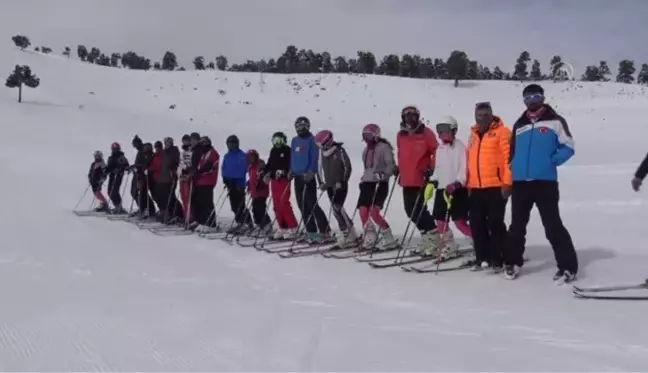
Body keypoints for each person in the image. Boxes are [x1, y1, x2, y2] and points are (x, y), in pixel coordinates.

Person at [504, 84, 578, 283]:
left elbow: (568, 146)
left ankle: (567, 266)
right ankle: (513, 262)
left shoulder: (555, 121)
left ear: (543, 98)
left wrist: (551, 161)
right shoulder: (519, 124)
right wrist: (513, 168)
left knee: (552, 225)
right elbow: (511, 152)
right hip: (521, 183)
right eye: (528, 97)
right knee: (517, 226)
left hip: (545, 182)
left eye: (536, 96)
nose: (532, 101)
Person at [466, 102, 511, 272]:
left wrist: (507, 183)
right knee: (476, 223)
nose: (482, 118)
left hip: (496, 186)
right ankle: (482, 257)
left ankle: (499, 257)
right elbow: (470, 160)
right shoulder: (473, 134)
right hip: (476, 187)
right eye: (479, 115)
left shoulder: (502, 132)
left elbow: (509, 159)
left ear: (491, 115)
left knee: (495, 222)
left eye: (485, 115)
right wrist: (469, 183)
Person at [396, 106, 441, 256]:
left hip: (420, 177)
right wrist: (399, 169)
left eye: (413, 116)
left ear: (417, 117)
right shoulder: (400, 135)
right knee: (410, 211)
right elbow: (401, 154)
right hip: (406, 178)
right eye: (407, 117)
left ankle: (434, 239)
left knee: (419, 210)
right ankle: (426, 237)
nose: (410, 120)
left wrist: (431, 168)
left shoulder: (426, 133)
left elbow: (437, 151)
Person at [430, 116, 472, 261]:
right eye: (440, 131)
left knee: (460, 222)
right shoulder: (439, 148)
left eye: (445, 131)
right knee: (440, 221)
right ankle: (449, 245)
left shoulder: (459, 147)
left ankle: (481, 242)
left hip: (457, 189)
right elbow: (438, 168)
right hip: (442, 189)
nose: (442, 134)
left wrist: (458, 182)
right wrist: (433, 181)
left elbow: (464, 167)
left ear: (453, 131)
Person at [357, 123, 399, 251]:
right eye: (365, 136)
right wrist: (364, 178)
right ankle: (370, 235)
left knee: (373, 212)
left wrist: (385, 174)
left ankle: (388, 237)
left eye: (369, 136)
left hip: (380, 183)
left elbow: (391, 165)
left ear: (376, 135)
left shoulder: (384, 148)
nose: (367, 139)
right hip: (367, 183)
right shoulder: (366, 150)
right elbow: (367, 167)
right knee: (363, 210)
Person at [314, 129, 358, 248]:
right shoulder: (322, 153)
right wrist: (322, 182)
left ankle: (349, 233)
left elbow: (347, 167)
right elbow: (319, 169)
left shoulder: (339, 151)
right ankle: (347, 233)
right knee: (335, 209)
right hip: (329, 185)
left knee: (337, 207)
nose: (319, 147)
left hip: (340, 184)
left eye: (320, 144)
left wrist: (343, 181)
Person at [290, 116, 331, 243]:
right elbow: (293, 156)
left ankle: (325, 230)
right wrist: (290, 169)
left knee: (312, 204)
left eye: (304, 126)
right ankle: (311, 231)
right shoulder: (294, 140)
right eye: (299, 126)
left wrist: (312, 171)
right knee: (302, 205)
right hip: (297, 176)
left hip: (308, 177)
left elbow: (315, 157)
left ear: (308, 126)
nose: (301, 128)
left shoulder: (312, 140)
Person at [263, 131, 299, 240]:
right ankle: (282, 227)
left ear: (284, 140)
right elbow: (270, 164)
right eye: (275, 140)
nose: (277, 143)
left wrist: (284, 172)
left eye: (280, 140)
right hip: (274, 180)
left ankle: (293, 227)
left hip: (283, 180)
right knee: (276, 204)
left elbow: (291, 164)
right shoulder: (273, 150)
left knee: (284, 203)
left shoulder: (287, 150)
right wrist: (265, 172)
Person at [222, 135, 253, 234]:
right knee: (233, 205)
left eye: (233, 143)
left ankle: (247, 222)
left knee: (240, 205)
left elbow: (242, 169)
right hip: (230, 184)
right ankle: (240, 222)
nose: (231, 145)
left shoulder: (241, 155)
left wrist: (237, 181)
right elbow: (224, 168)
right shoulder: (227, 156)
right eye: (229, 143)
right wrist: (225, 179)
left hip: (239, 184)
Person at [190, 136, 220, 233]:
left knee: (207, 203)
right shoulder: (204, 153)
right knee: (199, 202)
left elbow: (209, 166)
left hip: (208, 181)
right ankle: (201, 221)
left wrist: (198, 171)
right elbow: (200, 166)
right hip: (200, 181)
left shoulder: (212, 153)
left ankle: (211, 223)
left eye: (202, 145)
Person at [156, 137, 182, 224]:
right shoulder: (164, 152)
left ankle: (178, 213)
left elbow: (175, 162)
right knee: (164, 196)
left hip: (170, 177)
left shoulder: (174, 151)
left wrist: (173, 169)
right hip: (163, 177)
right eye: (166, 143)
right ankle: (168, 213)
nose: (167, 144)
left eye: (169, 143)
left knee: (170, 197)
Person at [246, 149, 272, 234]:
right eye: (249, 157)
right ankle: (259, 224)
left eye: (252, 157)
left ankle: (266, 224)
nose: (251, 159)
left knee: (260, 208)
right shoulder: (250, 167)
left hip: (261, 191)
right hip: (254, 192)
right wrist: (249, 185)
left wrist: (260, 182)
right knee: (255, 209)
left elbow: (263, 175)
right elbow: (251, 178)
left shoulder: (260, 164)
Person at [129, 135, 155, 218]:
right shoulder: (140, 152)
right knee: (134, 192)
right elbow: (139, 163)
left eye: (135, 145)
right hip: (137, 175)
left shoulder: (144, 151)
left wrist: (137, 166)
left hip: (143, 175)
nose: (135, 147)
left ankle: (147, 209)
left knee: (141, 192)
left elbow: (145, 163)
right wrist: (133, 166)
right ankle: (142, 208)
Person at [104, 142, 129, 214]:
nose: (113, 150)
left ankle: (119, 206)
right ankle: (117, 205)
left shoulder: (121, 157)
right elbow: (109, 167)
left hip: (118, 176)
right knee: (109, 191)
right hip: (112, 176)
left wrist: (120, 169)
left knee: (115, 191)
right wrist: (106, 171)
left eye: (115, 149)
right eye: (113, 149)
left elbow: (126, 165)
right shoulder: (111, 158)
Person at [177, 134, 193, 223]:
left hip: (188, 177)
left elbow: (192, 164)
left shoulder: (192, 152)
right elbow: (180, 164)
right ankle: (185, 214)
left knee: (188, 197)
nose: (185, 143)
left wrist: (187, 170)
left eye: (186, 141)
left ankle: (190, 216)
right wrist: (179, 173)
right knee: (183, 197)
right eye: (183, 141)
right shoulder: (182, 153)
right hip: (182, 178)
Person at [147, 141, 164, 217]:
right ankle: (161, 209)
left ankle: (163, 210)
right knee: (155, 195)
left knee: (159, 196)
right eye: (156, 148)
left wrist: (150, 169)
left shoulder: (162, 155)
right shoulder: (155, 155)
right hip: (154, 177)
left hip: (159, 178)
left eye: (158, 147)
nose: (157, 149)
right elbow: (151, 164)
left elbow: (157, 165)